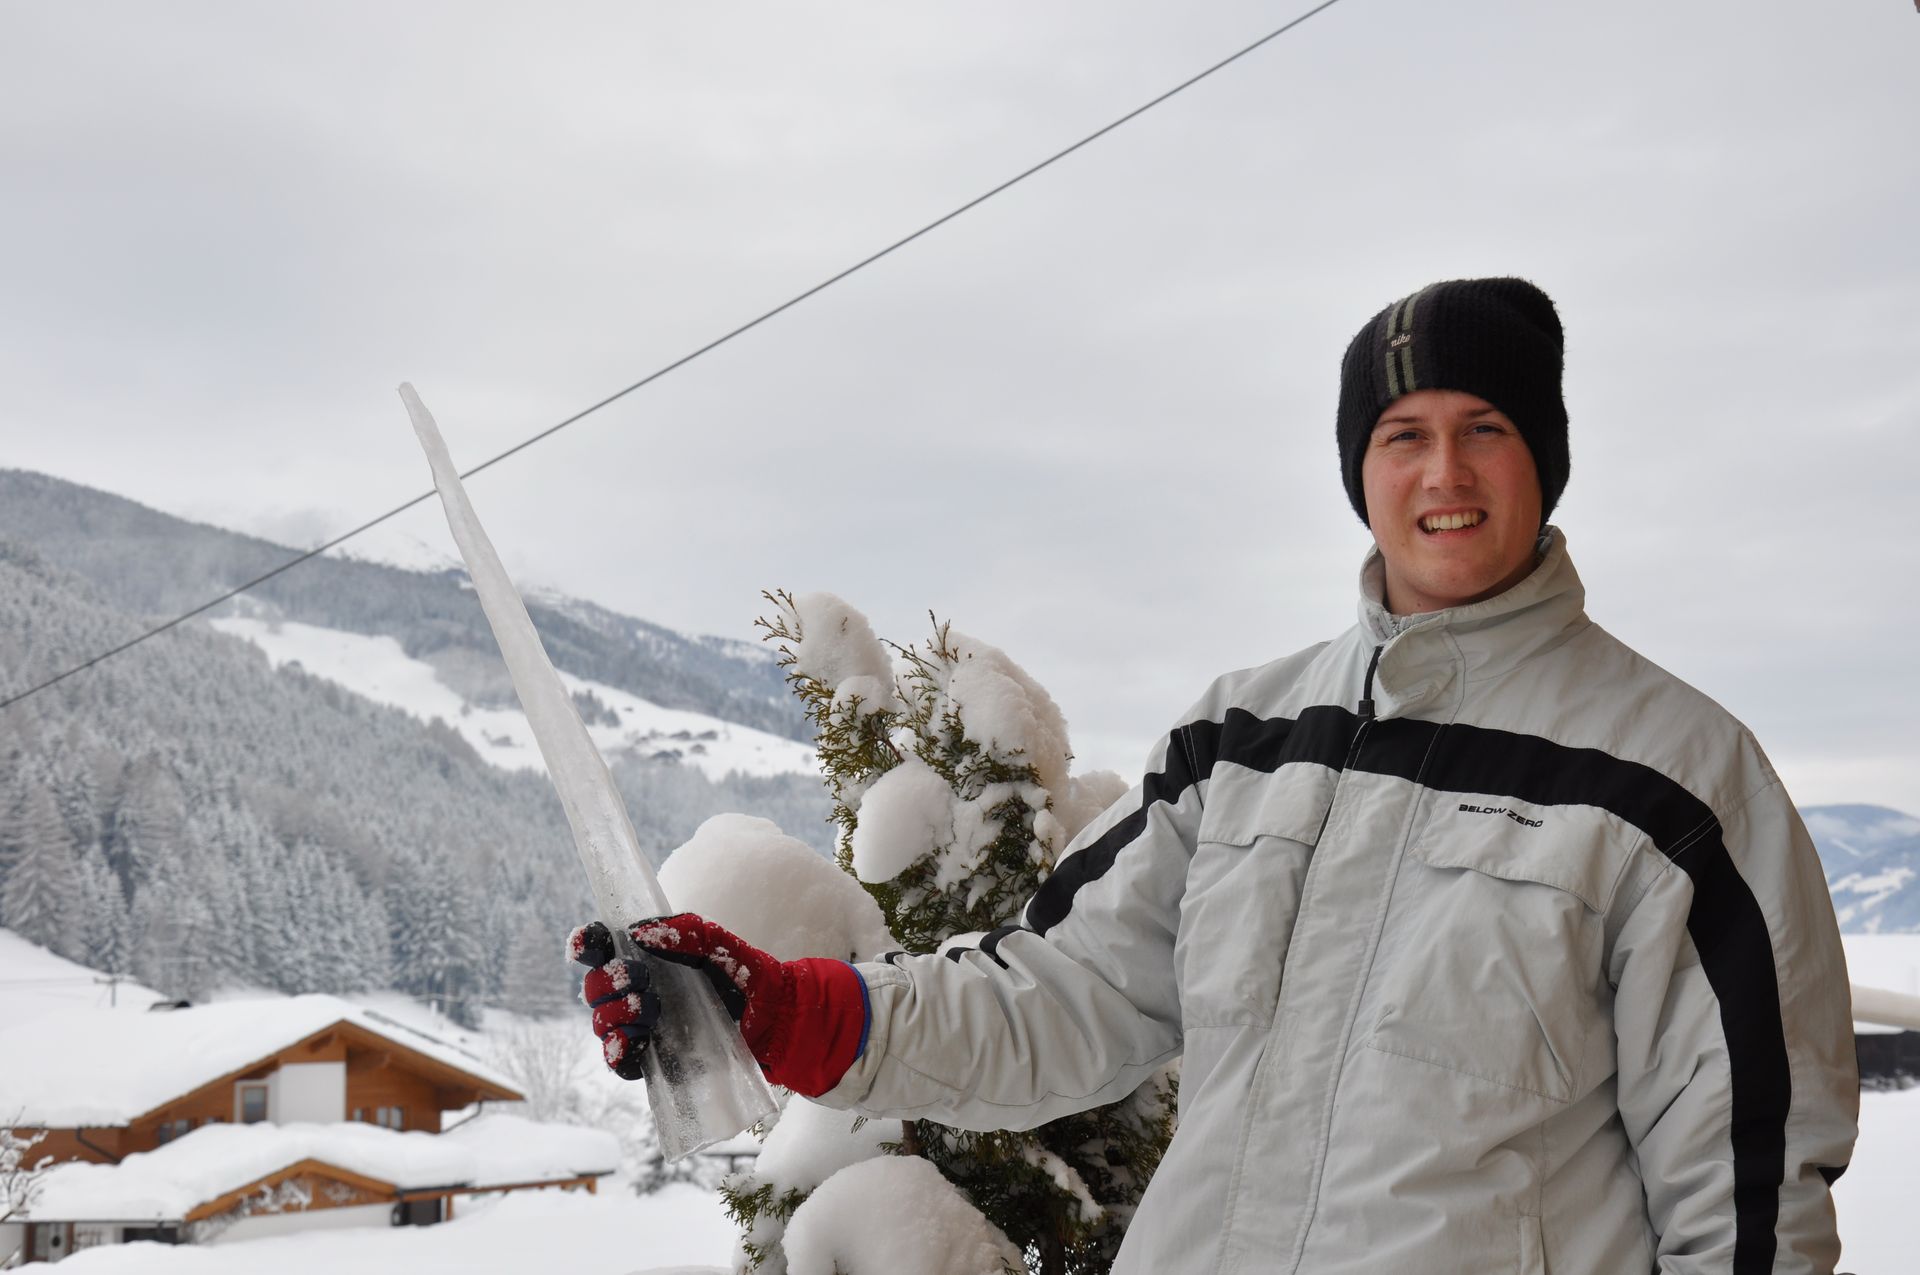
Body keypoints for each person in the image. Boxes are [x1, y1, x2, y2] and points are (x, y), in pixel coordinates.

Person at [571, 277, 1859, 1274]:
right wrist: (779, 1010)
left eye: (1487, 428)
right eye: (1404, 434)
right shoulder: (1244, 740)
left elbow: (1748, 1200)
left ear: (1546, 459)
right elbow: (1052, 1000)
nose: (1444, 473)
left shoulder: (1673, 782)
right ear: (1362, 468)